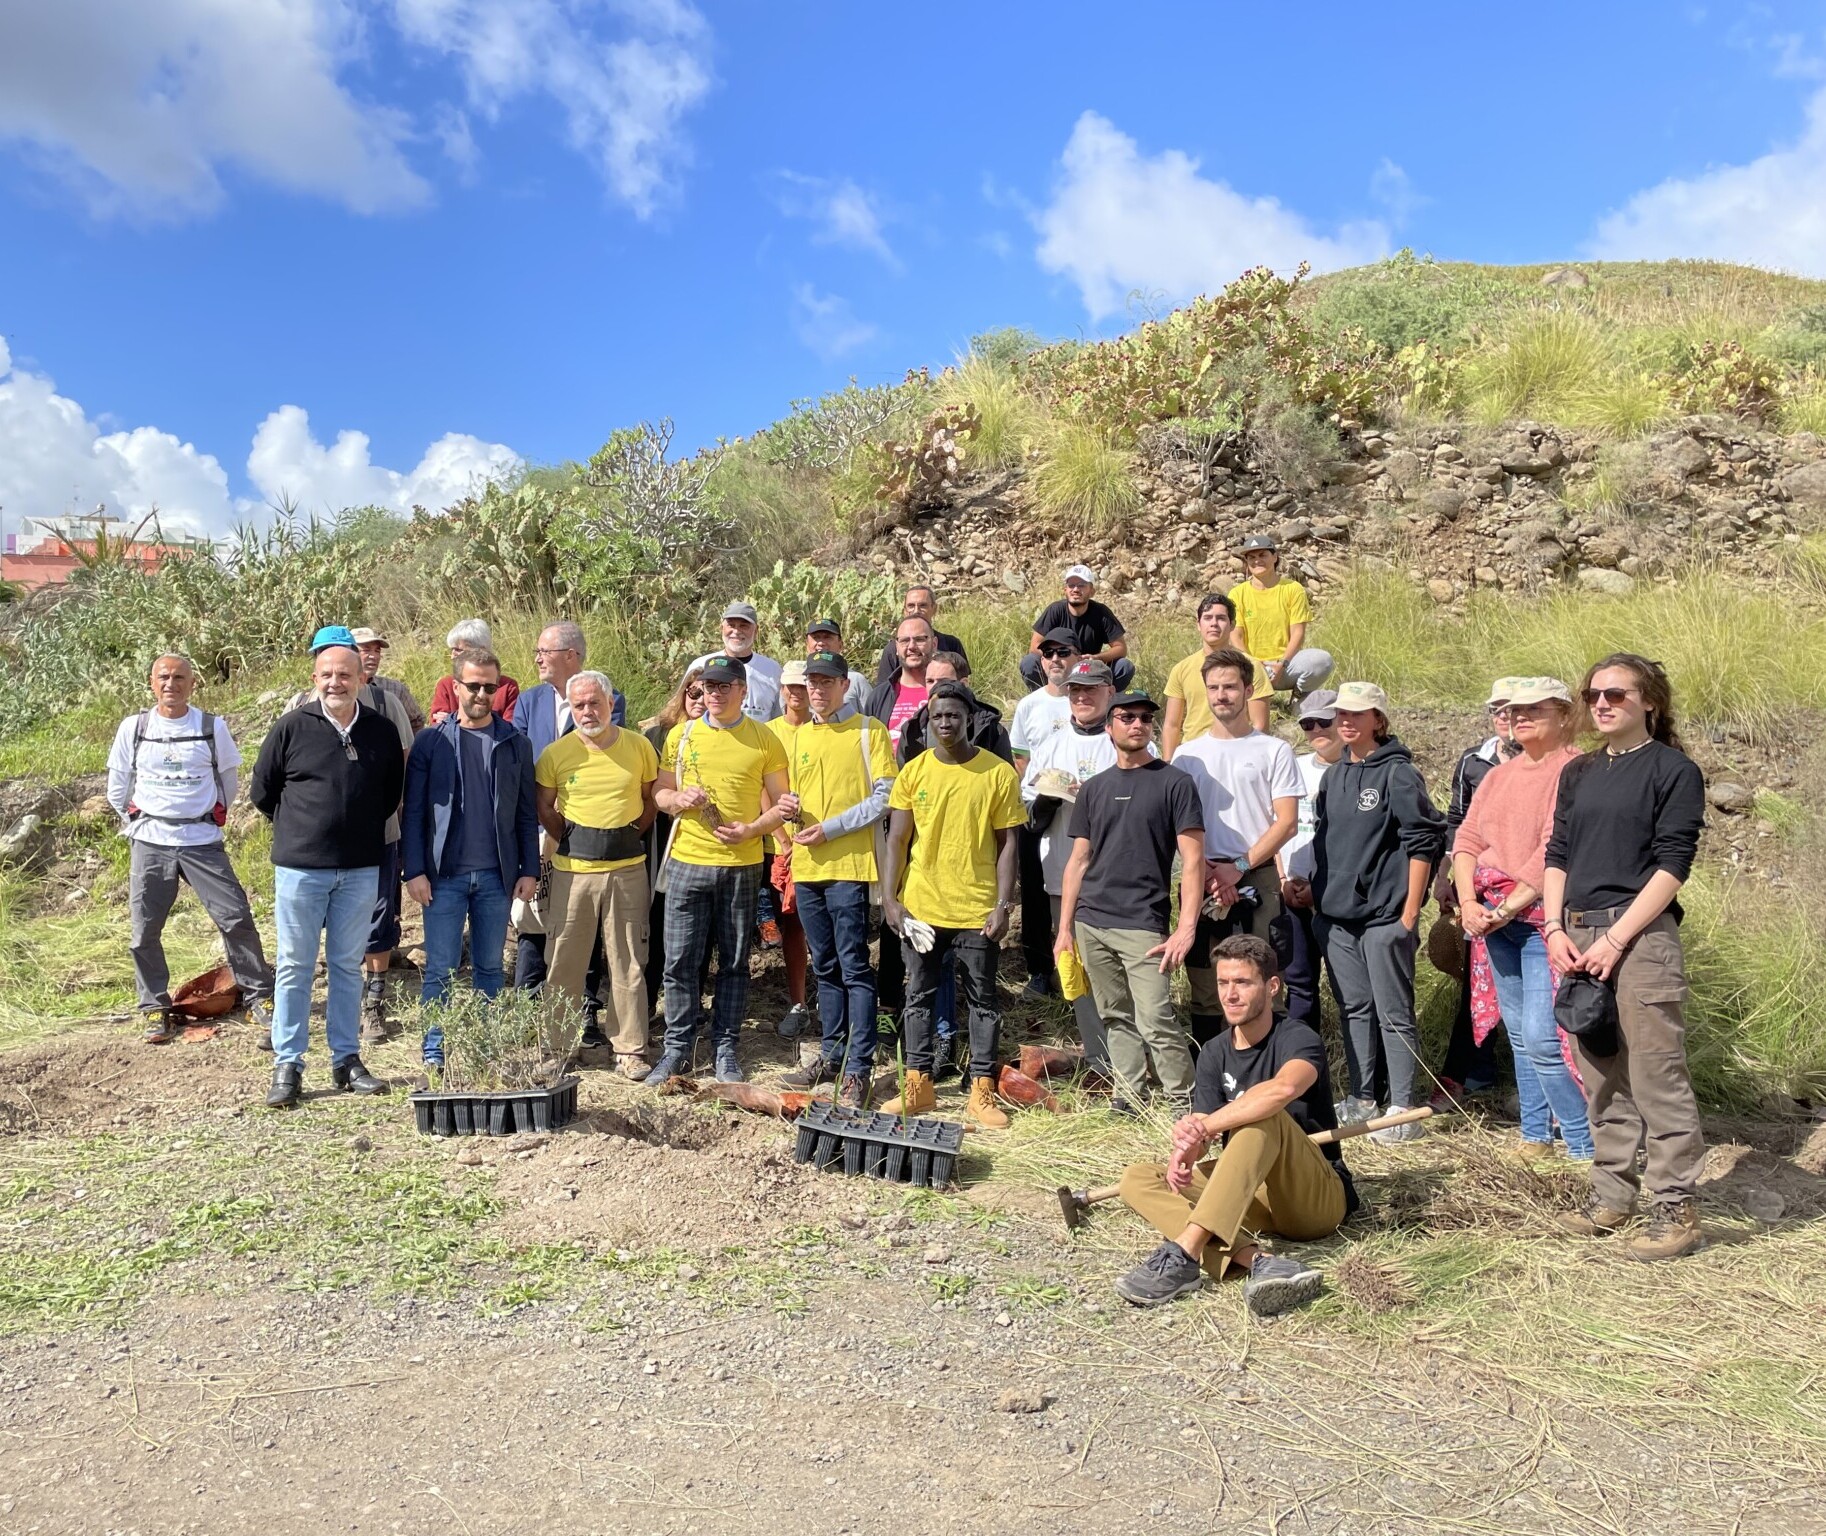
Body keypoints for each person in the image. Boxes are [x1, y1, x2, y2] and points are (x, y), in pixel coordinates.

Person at [1545, 654, 1707, 1261]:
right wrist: (1555, 926)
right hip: (1578, 936)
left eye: (1616, 693)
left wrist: (1617, 940)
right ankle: (1612, 1198)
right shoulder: (1580, 771)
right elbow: (1557, 851)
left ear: (1649, 703)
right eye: (1593, 694)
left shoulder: (1673, 770)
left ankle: (1675, 1210)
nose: (1602, 703)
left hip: (1641, 939)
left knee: (1655, 1075)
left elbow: (1673, 866)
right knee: (1601, 1078)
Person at [1113, 936, 1354, 1314]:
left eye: (1242, 983)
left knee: (1262, 1115)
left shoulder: (1297, 1038)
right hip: (1248, 1192)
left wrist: (1209, 1126)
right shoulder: (1213, 1052)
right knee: (1138, 1178)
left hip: (1313, 1195)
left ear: (1271, 987)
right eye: (1223, 983)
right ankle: (1258, 1261)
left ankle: (1186, 1253)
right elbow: (1206, 1129)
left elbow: (1284, 1089)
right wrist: (1189, 1141)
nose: (1230, 994)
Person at [249, 640, 404, 1108]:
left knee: (345, 966)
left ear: (361, 679)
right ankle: (288, 1064)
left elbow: (389, 794)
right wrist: (306, 829)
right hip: (301, 870)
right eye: (326, 675)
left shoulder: (379, 731)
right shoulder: (292, 727)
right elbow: (263, 790)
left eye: (344, 675)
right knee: (295, 966)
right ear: (314, 680)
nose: (335, 683)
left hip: (359, 869)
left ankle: (346, 1060)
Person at [1452, 678, 1593, 1161]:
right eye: (1514, 710)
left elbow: (1556, 847)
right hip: (1494, 920)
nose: (1520, 716)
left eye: (1534, 708)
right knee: (1518, 1034)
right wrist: (1470, 903)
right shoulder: (1498, 775)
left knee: (1543, 1036)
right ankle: (1536, 1135)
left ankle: (1580, 1141)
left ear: (1563, 713)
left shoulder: (1574, 769)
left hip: (1542, 919)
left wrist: (1502, 909)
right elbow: (1466, 839)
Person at [107, 654, 273, 1044]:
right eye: (163, 677)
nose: (171, 684)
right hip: (151, 843)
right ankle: (154, 1009)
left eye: (179, 677)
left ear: (192, 683)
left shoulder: (212, 727)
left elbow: (228, 785)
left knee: (235, 918)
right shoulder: (134, 728)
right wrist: (138, 825)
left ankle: (259, 998)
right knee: (144, 930)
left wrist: (204, 817)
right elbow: (118, 788)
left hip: (202, 843)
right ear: (152, 682)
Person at [879, 682, 1025, 1128]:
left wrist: (1003, 904)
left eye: (953, 716)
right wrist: (890, 899)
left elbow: (1008, 844)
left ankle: (981, 1088)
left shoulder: (997, 774)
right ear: (928, 721)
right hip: (923, 907)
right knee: (918, 995)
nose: (945, 723)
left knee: (983, 1000)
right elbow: (898, 840)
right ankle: (920, 1085)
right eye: (937, 716)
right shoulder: (914, 772)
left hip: (976, 909)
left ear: (969, 720)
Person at [646, 657, 796, 1084]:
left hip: (741, 867)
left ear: (743, 691)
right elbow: (659, 793)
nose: (714, 693)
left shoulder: (764, 740)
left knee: (733, 963)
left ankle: (725, 1047)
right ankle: (678, 1048)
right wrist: (677, 801)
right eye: (708, 686)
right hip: (686, 863)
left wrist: (752, 828)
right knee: (679, 961)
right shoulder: (682, 734)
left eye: (724, 686)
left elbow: (783, 807)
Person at [1052, 690, 1204, 1109]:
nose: (1136, 724)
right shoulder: (1094, 789)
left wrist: (1185, 928)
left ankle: (1182, 1101)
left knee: (1156, 1018)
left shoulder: (1175, 782)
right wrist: (1064, 930)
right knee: (1115, 1015)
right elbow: (1078, 862)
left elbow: (1194, 862)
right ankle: (1129, 1094)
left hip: (1143, 923)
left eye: (1144, 718)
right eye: (1126, 717)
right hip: (1091, 921)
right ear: (1109, 726)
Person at [1312, 682, 1446, 1141]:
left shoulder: (1399, 773)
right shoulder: (1333, 776)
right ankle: (1364, 1098)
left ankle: (1403, 1109)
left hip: (1385, 918)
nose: (1345, 721)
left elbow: (1424, 841)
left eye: (1358, 714)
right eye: (1341, 714)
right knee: (1354, 1008)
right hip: (1336, 919)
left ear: (1378, 719)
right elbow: (1325, 844)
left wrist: (1409, 915)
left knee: (1393, 1011)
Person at [402, 647, 540, 1066]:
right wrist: (415, 870)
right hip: (443, 878)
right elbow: (414, 811)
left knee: (490, 970)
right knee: (440, 970)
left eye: (490, 687)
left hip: (496, 878)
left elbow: (525, 812)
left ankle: (484, 1048)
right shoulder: (431, 742)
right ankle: (435, 1051)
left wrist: (529, 869)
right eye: (474, 685)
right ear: (456, 686)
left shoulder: (515, 743)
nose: (482, 693)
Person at [778, 650, 899, 1108]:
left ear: (845, 685)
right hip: (807, 867)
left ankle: (858, 1067)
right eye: (812, 681)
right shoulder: (799, 736)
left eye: (827, 681)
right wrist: (787, 807)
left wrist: (831, 828)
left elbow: (884, 797)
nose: (818, 689)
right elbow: (791, 791)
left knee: (853, 965)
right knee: (824, 965)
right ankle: (831, 1055)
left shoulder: (869, 731)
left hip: (848, 866)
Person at [284, 625, 414, 1044]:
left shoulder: (386, 703)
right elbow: (271, 785)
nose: (336, 676)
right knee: (304, 944)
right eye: (326, 660)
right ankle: (294, 1031)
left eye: (346, 664)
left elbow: (403, 766)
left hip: (377, 838)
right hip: (309, 849)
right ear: (316, 667)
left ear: (358, 672)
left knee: (377, 920)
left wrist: (378, 819)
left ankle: (372, 1004)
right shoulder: (297, 710)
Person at [1170, 648, 1304, 1046]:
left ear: (1248, 690)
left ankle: (1263, 1077)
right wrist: (1210, 871)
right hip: (1202, 877)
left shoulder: (1273, 750)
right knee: (1208, 985)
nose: (1221, 695)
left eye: (1230, 687)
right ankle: (1211, 1077)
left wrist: (1240, 866)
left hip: (1256, 878)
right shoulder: (1187, 755)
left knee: (1258, 980)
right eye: (1213, 688)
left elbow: (1287, 821)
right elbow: (1176, 823)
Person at [536, 670, 660, 1079]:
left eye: (594, 703)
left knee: (628, 961)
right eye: (578, 705)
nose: (587, 712)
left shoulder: (640, 747)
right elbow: (545, 807)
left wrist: (624, 836)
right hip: (573, 873)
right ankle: (557, 1046)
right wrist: (571, 838)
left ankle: (630, 1048)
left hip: (627, 872)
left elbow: (649, 802)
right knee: (563, 962)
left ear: (610, 703)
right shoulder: (556, 754)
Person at [1020, 659, 1125, 1072]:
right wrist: (1048, 797)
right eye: (1076, 690)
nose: (1082, 697)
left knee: (1116, 970)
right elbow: (1029, 817)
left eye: (1091, 689)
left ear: (1109, 692)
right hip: (1062, 872)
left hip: (1116, 876)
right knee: (1075, 966)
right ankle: (1100, 1058)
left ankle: (1127, 1056)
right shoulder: (1052, 743)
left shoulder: (1127, 740)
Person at [509, 619, 613, 1032]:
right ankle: (526, 1010)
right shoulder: (528, 701)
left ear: (570, 656)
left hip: (584, 831)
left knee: (581, 922)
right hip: (536, 825)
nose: (537, 658)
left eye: (544, 651)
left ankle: (583, 1012)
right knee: (531, 919)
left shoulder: (606, 698)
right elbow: (516, 758)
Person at [1428, 680, 1522, 1108]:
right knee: (1475, 983)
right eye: (1498, 710)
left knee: (1534, 987)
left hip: (1532, 889)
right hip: (1479, 886)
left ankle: (1532, 1083)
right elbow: (1457, 825)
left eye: (1513, 709)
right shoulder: (1472, 762)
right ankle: (1468, 1071)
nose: (1505, 717)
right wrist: (1446, 876)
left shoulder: (1557, 763)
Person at [1009, 628, 1080, 998]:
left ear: (1077, 657)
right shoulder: (1029, 706)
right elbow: (1020, 757)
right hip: (1037, 807)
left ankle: (1083, 970)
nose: (1055, 659)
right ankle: (1039, 971)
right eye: (1048, 652)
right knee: (1035, 893)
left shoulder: (1084, 699)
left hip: (1079, 808)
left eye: (1063, 652)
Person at [1276, 690, 1345, 1032]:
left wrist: (1323, 890)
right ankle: (1303, 1062)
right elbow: (1272, 825)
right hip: (1291, 889)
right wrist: (1282, 879)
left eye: (1324, 721)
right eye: (1307, 723)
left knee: (1349, 988)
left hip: (1338, 896)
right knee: (1299, 982)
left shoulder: (1359, 770)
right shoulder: (1294, 767)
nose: (1316, 729)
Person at [1228, 535, 1334, 731]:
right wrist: (1252, 663)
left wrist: (1281, 664)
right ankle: (1255, 701)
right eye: (1251, 558)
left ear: (1275, 557)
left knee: (1322, 660)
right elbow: (1236, 636)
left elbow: (1298, 633)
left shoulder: (1292, 589)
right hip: (1251, 667)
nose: (1257, 561)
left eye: (1262, 555)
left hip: (1285, 665)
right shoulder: (1237, 594)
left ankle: (1298, 698)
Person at [1159, 594, 1274, 761]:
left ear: (1232, 625)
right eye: (1207, 618)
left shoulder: (1251, 666)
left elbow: (1260, 724)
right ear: (1198, 625)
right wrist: (1168, 764)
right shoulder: (1181, 669)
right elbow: (1172, 725)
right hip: (1193, 755)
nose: (1213, 623)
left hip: (1237, 752)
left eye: (1221, 618)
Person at [765, 662, 815, 1039]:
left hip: (821, 842)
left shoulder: (825, 729)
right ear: (781, 690)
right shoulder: (767, 734)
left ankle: (831, 1002)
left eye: (803, 686)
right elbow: (760, 791)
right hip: (775, 845)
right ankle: (798, 1002)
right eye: (790, 687)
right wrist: (784, 843)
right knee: (791, 925)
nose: (796, 693)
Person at [1020, 564, 1134, 691]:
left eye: (1081, 585)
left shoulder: (1101, 613)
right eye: (1071, 585)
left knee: (1124, 666)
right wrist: (1058, 657)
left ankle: (1105, 704)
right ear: (1065, 590)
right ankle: (1045, 700)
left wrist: (1096, 658)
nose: (1075, 589)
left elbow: (1121, 648)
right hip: (1058, 667)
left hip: (1087, 668)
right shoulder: (1055, 610)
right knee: (1029, 662)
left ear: (1092, 591)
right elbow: (1034, 646)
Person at [893, 651, 1013, 764]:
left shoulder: (990, 729)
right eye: (930, 681)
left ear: (964, 684)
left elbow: (1004, 777)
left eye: (943, 681)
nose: (935, 687)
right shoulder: (912, 728)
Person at [692, 601, 781, 723]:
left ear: (756, 631)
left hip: (758, 741)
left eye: (744, 626)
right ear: (721, 628)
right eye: (731, 625)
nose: (737, 631)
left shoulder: (773, 670)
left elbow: (780, 720)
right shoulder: (701, 665)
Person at [864, 614, 938, 757]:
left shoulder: (945, 692)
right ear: (896, 647)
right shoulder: (879, 697)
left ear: (934, 644)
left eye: (919, 639)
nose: (911, 646)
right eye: (904, 640)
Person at [873, 585, 968, 686]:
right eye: (911, 606)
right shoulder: (892, 650)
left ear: (934, 609)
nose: (916, 610)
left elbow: (964, 686)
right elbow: (884, 690)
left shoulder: (952, 644)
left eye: (923, 605)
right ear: (904, 611)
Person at [430, 619, 521, 724]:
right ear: (456, 687)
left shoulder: (507, 687)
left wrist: (454, 721)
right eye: (452, 650)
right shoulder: (446, 685)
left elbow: (511, 728)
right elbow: (438, 724)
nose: (452, 656)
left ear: (482, 650)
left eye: (459, 650)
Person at [351, 627, 426, 733]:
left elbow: (417, 722)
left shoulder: (395, 689)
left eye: (377, 650)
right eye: (366, 650)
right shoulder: (338, 690)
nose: (374, 656)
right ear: (349, 653)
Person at [804, 618, 871, 715]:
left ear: (841, 644)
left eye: (827, 637)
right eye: (816, 637)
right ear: (807, 644)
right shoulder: (794, 678)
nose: (821, 643)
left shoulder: (856, 680)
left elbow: (871, 717)